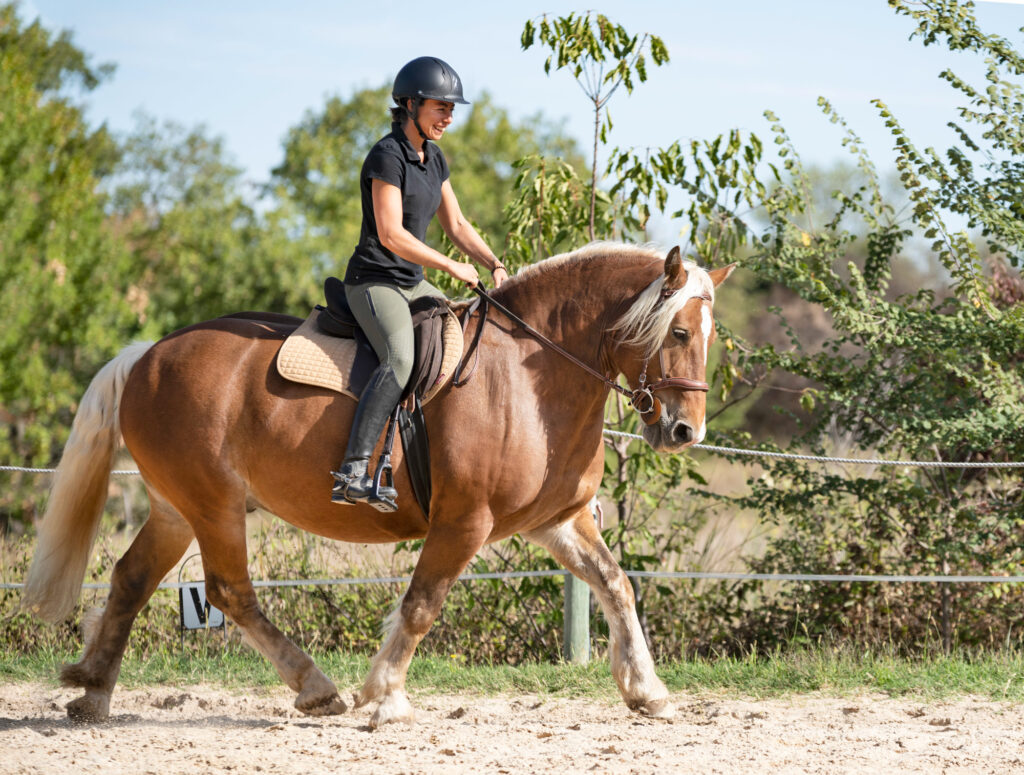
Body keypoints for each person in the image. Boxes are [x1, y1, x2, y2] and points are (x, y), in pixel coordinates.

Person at [331, 56, 508, 507]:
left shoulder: (434, 158)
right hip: (374, 282)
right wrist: (451, 268)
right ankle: (352, 471)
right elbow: (391, 234)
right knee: (400, 358)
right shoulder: (386, 156)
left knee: (468, 336)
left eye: (452, 110)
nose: (449, 117)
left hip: (413, 283)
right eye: (441, 108)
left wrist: (493, 263)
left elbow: (458, 224)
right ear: (410, 105)